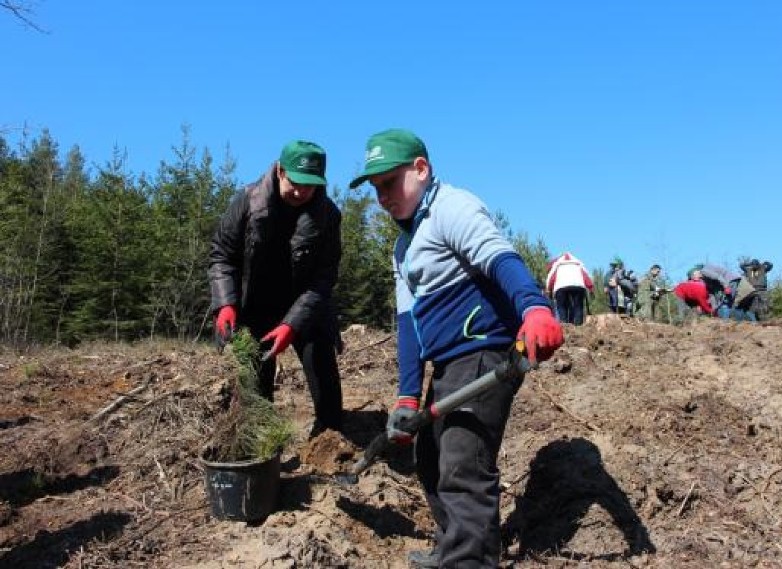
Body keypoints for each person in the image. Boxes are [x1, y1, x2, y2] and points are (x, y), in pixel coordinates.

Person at [349, 128, 564, 568]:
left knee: (463, 463)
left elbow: (500, 258)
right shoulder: (402, 247)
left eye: (389, 183)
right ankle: (455, 547)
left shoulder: (452, 207)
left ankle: (470, 560)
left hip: (485, 351)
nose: (382, 197)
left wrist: (534, 308)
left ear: (421, 170)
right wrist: (408, 394)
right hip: (448, 364)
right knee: (429, 457)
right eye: (375, 189)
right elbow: (408, 323)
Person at [209, 140, 344, 435]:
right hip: (255, 304)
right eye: (295, 182)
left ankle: (332, 440)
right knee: (256, 382)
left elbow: (323, 279)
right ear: (280, 171)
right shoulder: (247, 201)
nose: (301, 192)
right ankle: (262, 442)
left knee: (322, 368)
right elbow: (222, 254)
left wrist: (291, 326)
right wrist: (226, 304)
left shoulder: (328, 216)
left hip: (306, 305)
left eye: (309, 185)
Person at [544, 251, 594, 325]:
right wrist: (591, 288)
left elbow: (551, 278)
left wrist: (548, 289)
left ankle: (564, 325)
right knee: (578, 306)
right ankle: (578, 325)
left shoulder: (557, 265)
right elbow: (586, 276)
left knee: (562, 306)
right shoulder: (578, 264)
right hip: (578, 285)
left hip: (561, 286)